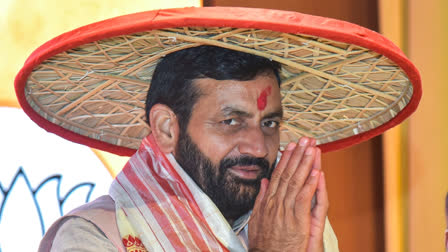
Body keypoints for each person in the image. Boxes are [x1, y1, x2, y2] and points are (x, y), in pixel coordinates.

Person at [39, 46, 338, 251]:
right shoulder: (94, 236)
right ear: (167, 128)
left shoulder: (297, 225)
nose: (258, 147)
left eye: (269, 123)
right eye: (231, 121)